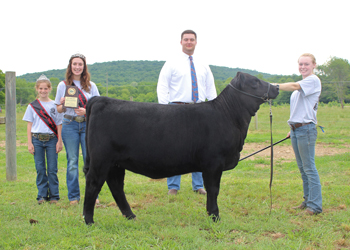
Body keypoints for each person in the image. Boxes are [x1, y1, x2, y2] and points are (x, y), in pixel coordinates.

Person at [157, 30, 217, 195]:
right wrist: (163, 108)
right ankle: (173, 186)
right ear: (181, 42)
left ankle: (198, 185)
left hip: (200, 109)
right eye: (186, 39)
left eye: (192, 39)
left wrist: (214, 108)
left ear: (196, 42)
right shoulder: (172, 63)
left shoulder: (203, 64)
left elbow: (210, 87)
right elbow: (162, 85)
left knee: (200, 148)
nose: (189, 42)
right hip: (177, 109)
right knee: (175, 148)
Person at [274, 53, 322, 215]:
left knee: (309, 168)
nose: (303, 67)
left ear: (314, 65)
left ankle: (315, 206)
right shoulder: (302, 84)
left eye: (306, 64)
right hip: (296, 130)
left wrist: (272, 86)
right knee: (303, 168)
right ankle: (308, 200)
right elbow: (303, 109)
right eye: (300, 64)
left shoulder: (313, 80)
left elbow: (294, 86)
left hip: (306, 130)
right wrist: (292, 128)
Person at [55, 53, 100, 205]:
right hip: (70, 125)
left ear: (84, 67)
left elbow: (98, 108)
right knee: (72, 161)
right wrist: (63, 104)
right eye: (75, 64)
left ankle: (92, 195)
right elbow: (58, 110)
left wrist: (87, 111)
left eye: (80, 64)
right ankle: (73, 196)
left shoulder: (91, 86)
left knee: (90, 161)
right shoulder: (63, 85)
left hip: (88, 125)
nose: (77, 67)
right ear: (70, 66)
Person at [23, 74, 63, 204]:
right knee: (40, 168)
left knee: (52, 169)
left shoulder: (54, 105)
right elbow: (29, 124)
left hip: (52, 140)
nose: (43, 91)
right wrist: (29, 143)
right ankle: (41, 195)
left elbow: (58, 124)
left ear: (50, 89)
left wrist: (59, 140)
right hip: (37, 139)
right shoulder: (32, 106)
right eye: (41, 89)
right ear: (37, 89)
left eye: (45, 88)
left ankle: (54, 196)